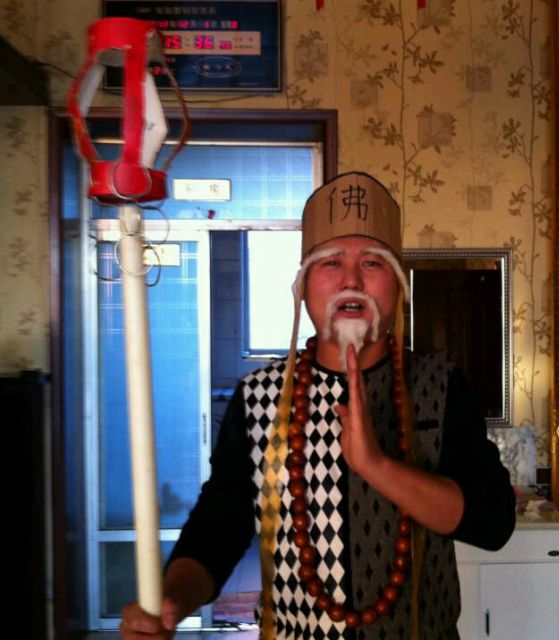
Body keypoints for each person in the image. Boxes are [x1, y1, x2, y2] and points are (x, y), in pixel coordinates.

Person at [120, 172, 515, 640]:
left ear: (398, 286)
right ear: (304, 286)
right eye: (331, 262)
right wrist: (172, 601)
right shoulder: (259, 397)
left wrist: (376, 465)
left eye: (372, 262)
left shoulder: (441, 386)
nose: (351, 279)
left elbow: (493, 523)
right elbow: (217, 530)